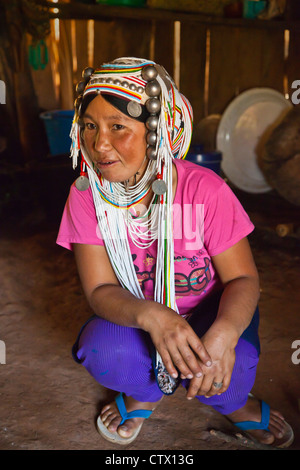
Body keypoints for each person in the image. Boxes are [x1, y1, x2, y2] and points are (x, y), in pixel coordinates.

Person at [56, 57, 293, 448]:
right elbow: (99, 289)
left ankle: (236, 405)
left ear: (155, 131)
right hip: (139, 315)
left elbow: (243, 279)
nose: (99, 143)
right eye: (90, 126)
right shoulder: (87, 196)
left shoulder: (205, 190)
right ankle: (145, 393)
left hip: (209, 314)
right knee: (102, 349)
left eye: (118, 127)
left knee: (224, 374)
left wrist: (225, 332)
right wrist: (156, 317)